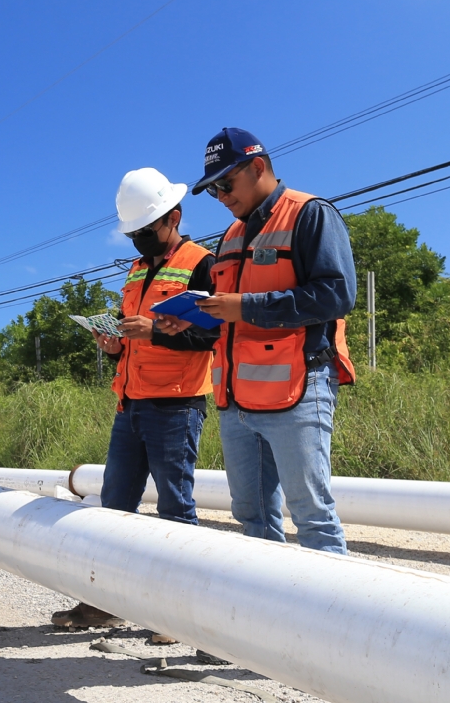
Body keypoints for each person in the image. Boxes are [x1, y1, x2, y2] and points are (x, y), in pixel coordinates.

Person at [52, 167, 219, 634]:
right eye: (133, 234)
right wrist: (116, 344)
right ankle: (104, 602)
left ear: (174, 217)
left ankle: (177, 612)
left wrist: (155, 335)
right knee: (114, 509)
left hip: (176, 406)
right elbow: (136, 336)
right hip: (130, 404)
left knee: (175, 510)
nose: (139, 241)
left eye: (146, 231)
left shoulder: (202, 263)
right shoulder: (137, 270)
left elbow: (214, 338)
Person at [187, 127, 357, 554]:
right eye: (213, 192)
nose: (222, 198)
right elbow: (225, 316)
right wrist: (190, 321)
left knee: (311, 515)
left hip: (297, 390)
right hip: (236, 401)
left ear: (258, 167)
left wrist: (245, 306)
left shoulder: (310, 214)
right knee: (252, 514)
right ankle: (265, 616)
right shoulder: (229, 238)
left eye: (226, 185)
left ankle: (332, 618)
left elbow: (336, 295)